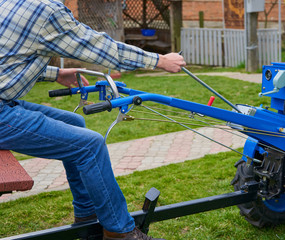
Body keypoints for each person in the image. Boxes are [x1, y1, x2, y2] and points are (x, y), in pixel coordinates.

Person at [0, 0, 186, 239]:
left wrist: (56, 73)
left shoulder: (10, 3)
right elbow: (101, 49)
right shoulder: (46, 11)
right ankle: (120, 232)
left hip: (5, 101)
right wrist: (159, 60)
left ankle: (86, 214)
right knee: (90, 145)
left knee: (75, 123)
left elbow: (12, 59)